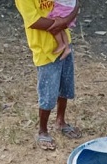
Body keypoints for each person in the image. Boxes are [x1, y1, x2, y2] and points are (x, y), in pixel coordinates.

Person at [15, 0, 82, 151]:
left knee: (64, 86)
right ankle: (43, 130)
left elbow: (74, 3)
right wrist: (63, 22)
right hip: (45, 52)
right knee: (48, 94)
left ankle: (60, 121)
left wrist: (67, 17)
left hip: (65, 44)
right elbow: (34, 21)